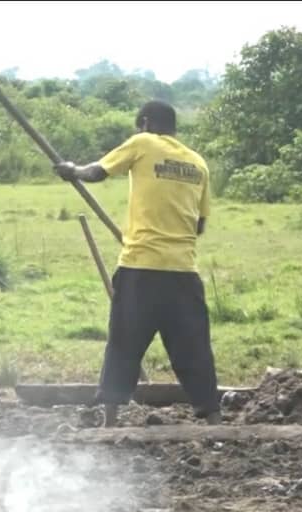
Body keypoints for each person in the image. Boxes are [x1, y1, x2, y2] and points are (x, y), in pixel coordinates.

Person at [54, 100, 221, 427]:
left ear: (145, 123)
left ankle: (112, 419)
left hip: (140, 268)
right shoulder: (198, 163)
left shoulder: (142, 143)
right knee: (194, 349)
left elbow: (97, 172)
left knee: (124, 344)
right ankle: (213, 417)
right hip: (184, 273)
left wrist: (71, 171)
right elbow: (198, 226)